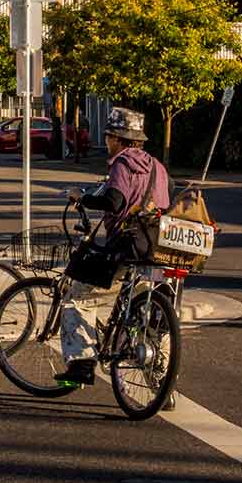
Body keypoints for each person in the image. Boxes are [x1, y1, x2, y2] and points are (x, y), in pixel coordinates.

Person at [56, 107, 171, 388]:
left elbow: (115, 202)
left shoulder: (123, 163)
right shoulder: (156, 166)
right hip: (156, 246)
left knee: (78, 297)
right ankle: (163, 381)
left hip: (127, 244)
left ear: (118, 139)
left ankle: (82, 364)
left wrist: (82, 199)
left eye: (109, 136)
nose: (107, 142)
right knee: (151, 311)